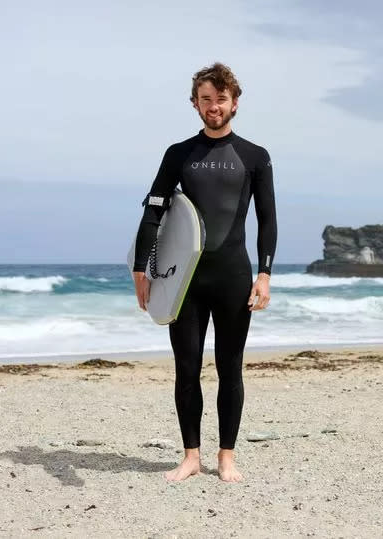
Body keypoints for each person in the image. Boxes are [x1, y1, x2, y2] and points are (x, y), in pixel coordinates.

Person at [131, 63, 277, 483]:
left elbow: (267, 219)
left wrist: (264, 274)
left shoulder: (254, 156)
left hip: (233, 276)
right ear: (195, 102)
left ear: (235, 102)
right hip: (185, 281)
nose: (214, 106)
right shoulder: (179, 154)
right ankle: (191, 455)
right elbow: (155, 210)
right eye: (206, 99)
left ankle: (226, 455)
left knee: (231, 368)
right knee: (186, 368)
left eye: (221, 99)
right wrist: (142, 268)